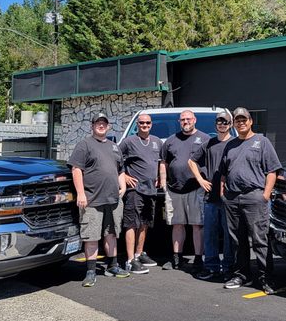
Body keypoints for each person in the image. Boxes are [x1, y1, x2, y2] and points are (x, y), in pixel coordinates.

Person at [220, 107, 282, 293]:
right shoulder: (230, 145)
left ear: (250, 121)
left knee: (259, 240)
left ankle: (265, 279)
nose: (241, 123)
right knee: (237, 241)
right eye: (237, 120)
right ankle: (241, 274)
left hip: (255, 197)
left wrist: (264, 196)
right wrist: (223, 194)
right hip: (232, 198)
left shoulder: (262, 142)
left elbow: (272, 171)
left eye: (244, 119)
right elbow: (223, 173)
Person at [68, 112, 129, 287]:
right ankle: (90, 271)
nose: (101, 125)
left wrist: (123, 186)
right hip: (92, 200)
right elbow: (76, 170)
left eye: (104, 123)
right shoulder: (84, 145)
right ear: (92, 126)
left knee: (111, 233)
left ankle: (113, 266)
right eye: (98, 123)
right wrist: (80, 193)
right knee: (91, 236)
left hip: (113, 200)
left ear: (108, 126)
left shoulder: (114, 146)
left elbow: (120, 169)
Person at [188, 109, 233, 281]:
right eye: (219, 122)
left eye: (225, 122)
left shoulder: (235, 143)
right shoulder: (208, 143)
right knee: (210, 234)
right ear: (216, 124)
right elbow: (191, 161)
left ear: (230, 124)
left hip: (230, 198)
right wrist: (200, 179)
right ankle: (212, 267)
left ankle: (228, 267)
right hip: (210, 198)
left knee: (229, 236)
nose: (222, 124)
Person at [159, 109, 206, 271]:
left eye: (188, 119)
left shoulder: (205, 139)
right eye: (182, 120)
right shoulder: (171, 141)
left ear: (195, 120)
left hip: (195, 189)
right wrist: (164, 182)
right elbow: (163, 162)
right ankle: (176, 259)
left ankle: (199, 259)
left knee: (197, 225)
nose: (185, 122)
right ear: (179, 122)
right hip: (174, 190)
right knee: (177, 225)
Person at [118, 112, 163, 274]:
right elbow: (115, 159)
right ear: (137, 124)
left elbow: (161, 162)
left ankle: (139, 253)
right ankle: (130, 260)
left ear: (151, 124)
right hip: (134, 190)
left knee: (144, 223)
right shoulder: (128, 142)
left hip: (150, 190)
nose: (145, 125)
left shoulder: (157, 142)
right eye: (142, 123)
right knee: (131, 223)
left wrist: (159, 176)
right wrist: (125, 176)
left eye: (147, 123)